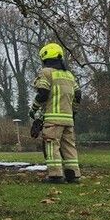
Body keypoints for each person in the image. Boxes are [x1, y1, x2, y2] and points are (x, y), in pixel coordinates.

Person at [29, 43, 82, 184]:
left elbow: (43, 93)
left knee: (52, 145)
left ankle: (55, 175)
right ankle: (73, 175)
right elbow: (78, 95)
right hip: (68, 120)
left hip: (52, 119)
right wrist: (73, 112)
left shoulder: (46, 73)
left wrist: (33, 109)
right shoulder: (69, 76)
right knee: (69, 147)